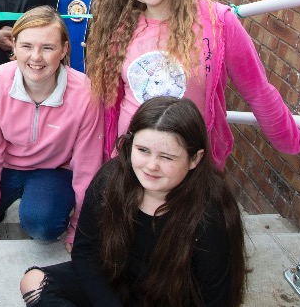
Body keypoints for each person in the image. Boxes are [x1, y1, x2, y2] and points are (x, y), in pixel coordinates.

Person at [85, 0, 300, 167]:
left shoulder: (218, 22)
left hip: (191, 164)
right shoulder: (120, 28)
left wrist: (292, 141)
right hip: (131, 163)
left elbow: (257, 90)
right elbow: (107, 106)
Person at [20, 97, 248, 307]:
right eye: (143, 150)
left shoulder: (210, 211)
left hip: (173, 296)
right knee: (34, 282)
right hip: (117, 282)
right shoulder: (111, 180)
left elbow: (216, 297)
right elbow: (85, 254)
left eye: (166, 157)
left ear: (195, 159)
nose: (151, 166)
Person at [0, 6, 102, 249]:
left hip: (53, 170)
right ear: (14, 46)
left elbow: (87, 164)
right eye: (27, 46)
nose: (36, 57)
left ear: (64, 49)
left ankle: (45, 209)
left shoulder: (83, 92)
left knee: (42, 224)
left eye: (47, 47)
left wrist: (79, 227)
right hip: (6, 166)